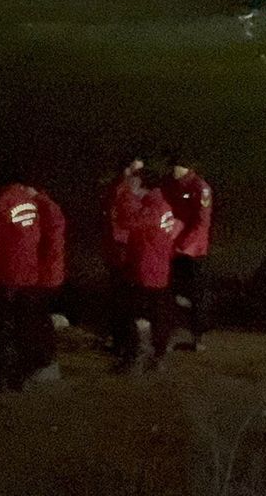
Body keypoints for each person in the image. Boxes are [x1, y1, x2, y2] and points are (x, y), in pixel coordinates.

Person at [0, 167, 48, 392]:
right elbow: (36, 235)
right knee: (24, 328)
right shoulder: (30, 203)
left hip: (5, 276)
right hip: (29, 274)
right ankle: (20, 376)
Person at [120, 170, 179, 371]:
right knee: (158, 314)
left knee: (133, 313)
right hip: (159, 269)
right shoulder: (163, 206)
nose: (131, 187)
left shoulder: (152, 209)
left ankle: (136, 356)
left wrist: (128, 196)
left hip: (145, 270)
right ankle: (158, 354)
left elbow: (126, 222)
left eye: (134, 183)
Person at [160, 150, 214, 350]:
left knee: (197, 293)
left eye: (178, 166)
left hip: (193, 251)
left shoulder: (200, 188)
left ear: (188, 167)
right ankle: (171, 332)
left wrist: (185, 244)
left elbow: (202, 222)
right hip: (173, 248)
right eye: (173, 165)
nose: (174, 169)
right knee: (171, 292)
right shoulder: (171, 184)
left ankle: (198, 336)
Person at [103, 155, 145, 358]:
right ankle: (123, 342)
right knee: (120, 300)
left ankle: (127, 345)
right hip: (120, 251)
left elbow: (127, 223)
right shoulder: (122, 190)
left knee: (123, 301)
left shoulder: (125, 191)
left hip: (123, 251)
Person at [30, 188, 66, 382]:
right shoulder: (44, 206)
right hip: (45, 271)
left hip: (44, 273)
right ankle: (45, 362)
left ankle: (48, 364)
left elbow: (51, 242)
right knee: (39, 318)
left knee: (40, 319)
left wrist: (37, 262)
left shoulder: (44, 208)